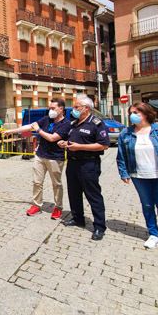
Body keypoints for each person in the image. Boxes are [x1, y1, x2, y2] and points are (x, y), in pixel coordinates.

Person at [116, 102, 158, 249]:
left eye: (136, 113)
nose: (132, 116)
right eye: (131, 113)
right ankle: (153, 234)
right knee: (147, 205)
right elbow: (121, 156)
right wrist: (123, 173)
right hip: (139, 176)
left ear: (146, 114)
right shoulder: (125, 133)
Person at [4, 98, 70, 219]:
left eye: (53, 108)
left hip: (55, 158)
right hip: (40, 156)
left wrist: (38, 130)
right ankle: (36, 204)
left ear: (61, 109)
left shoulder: (66, 124)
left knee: (56, 184)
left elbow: (52, 138)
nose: (50, 110)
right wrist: (12, 131)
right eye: (49, 108)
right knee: (37, 182)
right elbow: (30, 127)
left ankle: (58, 207)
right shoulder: (47, 119)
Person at [57, 95, 110, 241]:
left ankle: (99, 226)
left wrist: (80, 147)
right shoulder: (74, 123)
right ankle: (78, 218)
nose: (73, 109)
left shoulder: (96, 123)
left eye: (76, 107)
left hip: (88, 164)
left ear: (86, 108)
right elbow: (72, 141)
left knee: (93, 195)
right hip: (72, 164)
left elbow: (104, 145)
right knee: (73, 193)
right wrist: (65, 143)